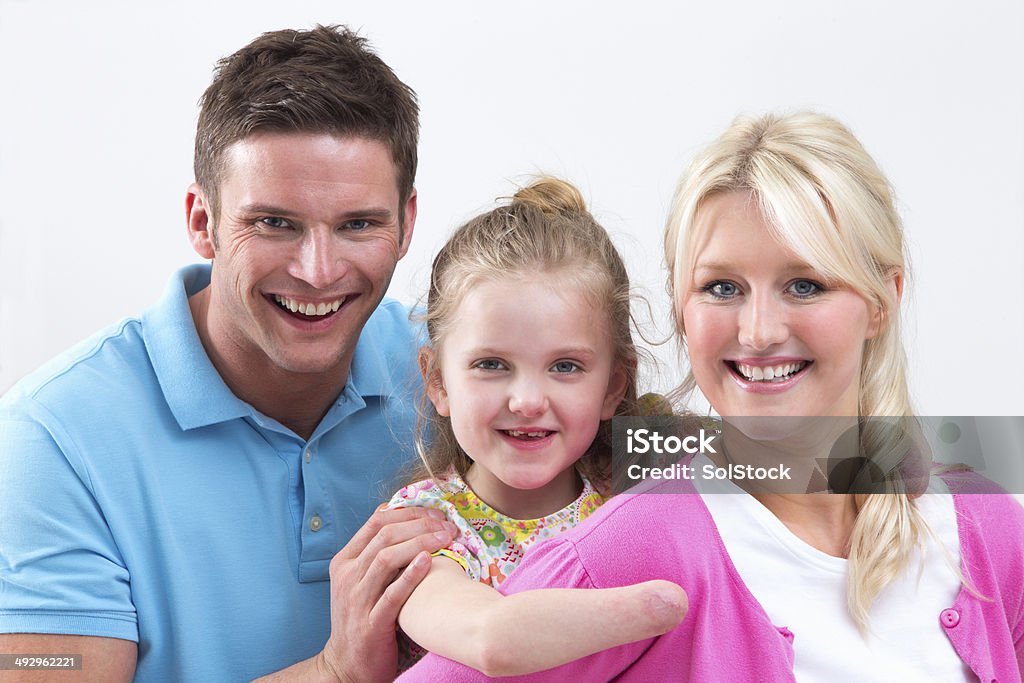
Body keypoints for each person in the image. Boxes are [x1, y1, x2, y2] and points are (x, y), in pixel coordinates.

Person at [399, 112, 1024, 680]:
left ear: (883, 300)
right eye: (721, 288)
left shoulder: (988, 528)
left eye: (805, 285)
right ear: (682, 308)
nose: (757, 332)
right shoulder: (635, 550)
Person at [0, 26, 459, 681]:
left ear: (407, 222)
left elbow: (647, 467)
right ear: (201, 220)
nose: (317, 270)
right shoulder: (45, 440)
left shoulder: (465, 369)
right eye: (274, 222)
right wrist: (334, 672)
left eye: (358, 224)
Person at [385, 177, 687, 675]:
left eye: (565, 367)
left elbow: (822, 458)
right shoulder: (425, 526)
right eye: (491, 364)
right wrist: (657, 606)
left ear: (613, 387)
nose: (527, 401)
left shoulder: (627, 496)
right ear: (438, 382)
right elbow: (490, 640)